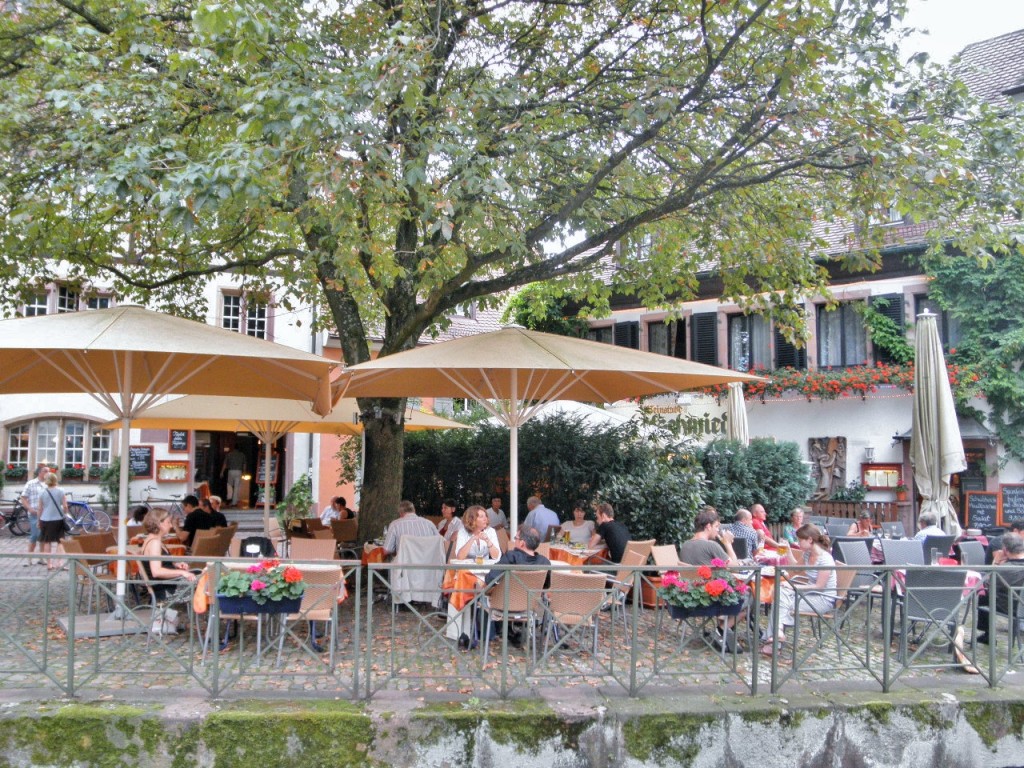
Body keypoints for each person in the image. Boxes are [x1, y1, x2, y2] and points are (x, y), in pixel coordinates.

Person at [763, 523, 836, 656]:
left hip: (823, 599)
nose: (798, 542)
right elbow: (796, 568)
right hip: (810, 594)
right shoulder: (808, 554)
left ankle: (774, 643)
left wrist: (794, 586)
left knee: (781, 601)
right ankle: (777, 636)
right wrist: (788, 551)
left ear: (810, 540)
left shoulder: (825, 559)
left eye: (800, 540)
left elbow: (820, 586)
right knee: (779, 592)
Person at [976, 533, 1024, 645]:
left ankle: (988, 635)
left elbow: (987, 583)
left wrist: (996, 562)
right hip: (1019, 602)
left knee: (984, 595)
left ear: (1005, 550)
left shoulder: (1005, 569)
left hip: (1012, 607)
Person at [140, 508, 197, 600]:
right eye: (168, 522)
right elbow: (156, 571)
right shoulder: (155, 543)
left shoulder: (152, 540)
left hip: (166, 584)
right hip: (166, 589)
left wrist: (176, 564)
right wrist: (182, 572)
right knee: (206, 580)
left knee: (203, 576)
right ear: (159, 524)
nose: (171, 525)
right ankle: (210, 612)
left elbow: (160, 563)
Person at [485, 527, 551, 585]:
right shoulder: (544, 562)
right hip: (534, 598)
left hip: (508, 598)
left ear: (522, 543)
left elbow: (490, 579)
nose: (514, 541)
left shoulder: (511, 557)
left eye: (515, 538)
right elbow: (546, 585)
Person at [37, 472, 68, 570]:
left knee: (47, 542)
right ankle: (60, 562)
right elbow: (65, 506)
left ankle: (49, 564)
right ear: (55, 480)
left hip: (45, 519)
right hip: (58, 519)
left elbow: (39, 508)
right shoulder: (61, 490)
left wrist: (39, 521)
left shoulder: (42, 492)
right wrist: (65, 514)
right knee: (60, 541)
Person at [19, 465, 49, 566]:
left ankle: (42, 558)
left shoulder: (48, 484)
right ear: (40, 472)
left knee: (43, 536)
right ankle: (29, 558)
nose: (47, 473)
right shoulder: (31, 483)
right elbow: (23, 497)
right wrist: (29, 508)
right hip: (34, 514)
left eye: (48, 471)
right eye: (45, 471)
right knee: (35, 535)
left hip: (46, 514)